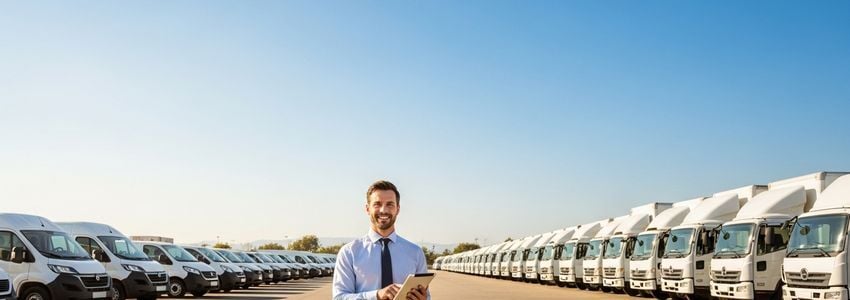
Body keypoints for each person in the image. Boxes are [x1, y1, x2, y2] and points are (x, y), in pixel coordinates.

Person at [333, 180, 430, 300]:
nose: (383, 210)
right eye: (377, 204)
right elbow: (339, 297)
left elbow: (427, 297)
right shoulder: (349, 252)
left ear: (398, 209)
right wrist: (376, 295)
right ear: (367, 209)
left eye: (390, 204)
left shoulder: (415, 253)